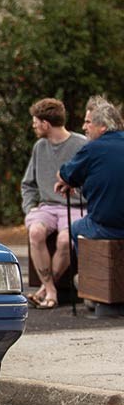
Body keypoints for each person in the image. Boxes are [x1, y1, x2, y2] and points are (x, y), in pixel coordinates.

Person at [21, 98, 87, 309]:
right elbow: (28, 184)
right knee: (35, 233)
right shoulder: (39, 147)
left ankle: (45, 289)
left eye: (35, 122)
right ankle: (49, 290)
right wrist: (29, 207)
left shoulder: (82, 144)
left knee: (66, 241)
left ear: (45, 124)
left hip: (76, 207)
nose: (33, 126)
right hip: (47, 207)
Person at [55, 99, 124, 245]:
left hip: (107, 227)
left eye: (88, 122)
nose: (84, 127)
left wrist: (68, 182)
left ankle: (88, 268)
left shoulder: (93, 149)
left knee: (75, 228)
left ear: (103, 126)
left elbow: (64, 174)